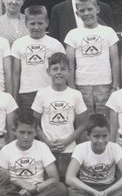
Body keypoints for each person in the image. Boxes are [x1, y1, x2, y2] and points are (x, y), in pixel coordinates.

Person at [0, 114, 67, 196]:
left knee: (60, 188)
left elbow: (54, 178)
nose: (25, 137)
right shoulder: (6, 150)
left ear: (36, 132)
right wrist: (20, 182)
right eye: (22, 132)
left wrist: (36, 188)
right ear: (14, 131)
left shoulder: (42, 147)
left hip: (39, 189)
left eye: (30, 133)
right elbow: (1, 178)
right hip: (16, 190)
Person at [64, 114, 122, 196]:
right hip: (87, 188)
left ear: (109, 135)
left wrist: (106, 193)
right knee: (70, 192)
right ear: (88, 136)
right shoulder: (80, 148)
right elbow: (69, 177)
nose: (101, 141)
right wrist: (94, 192)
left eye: (105, 136)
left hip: (109, 187)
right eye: (96, 136)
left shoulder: (115, 148)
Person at [32, 52, 88, 180]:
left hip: (68, 149)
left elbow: (83, 124)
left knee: (67, 181)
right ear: (48, 72)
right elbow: (34, 123)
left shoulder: (75, 95)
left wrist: (68, 141)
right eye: (55, 69)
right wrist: (46, 142)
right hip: (47, 149)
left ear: (69, 72)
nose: (59, 72)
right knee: (49, 181)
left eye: (63, 69)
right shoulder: (42, 94)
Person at [65, 0, 120, 115]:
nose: (86, 13)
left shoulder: (108, 32)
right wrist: (72, 87)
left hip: (105, 84)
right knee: (85, 122)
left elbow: (115, 59)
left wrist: (115, 85)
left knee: (104, 120)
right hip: (82, 85)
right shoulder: (72, 34)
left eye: (90, 9)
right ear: (77, 13)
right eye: (82, 10)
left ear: (97, 9)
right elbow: (69, 63)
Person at [11, 5, 65, 115]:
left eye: (40, 23)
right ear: (26, 24)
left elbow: (63, 71)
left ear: (47, 23)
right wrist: (14, 97)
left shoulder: (55, 44)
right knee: (29, 127)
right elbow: (16, 73)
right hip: (26, 94)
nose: (36, 27)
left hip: (50, 91)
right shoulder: (18, 44)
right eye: (32, 23)